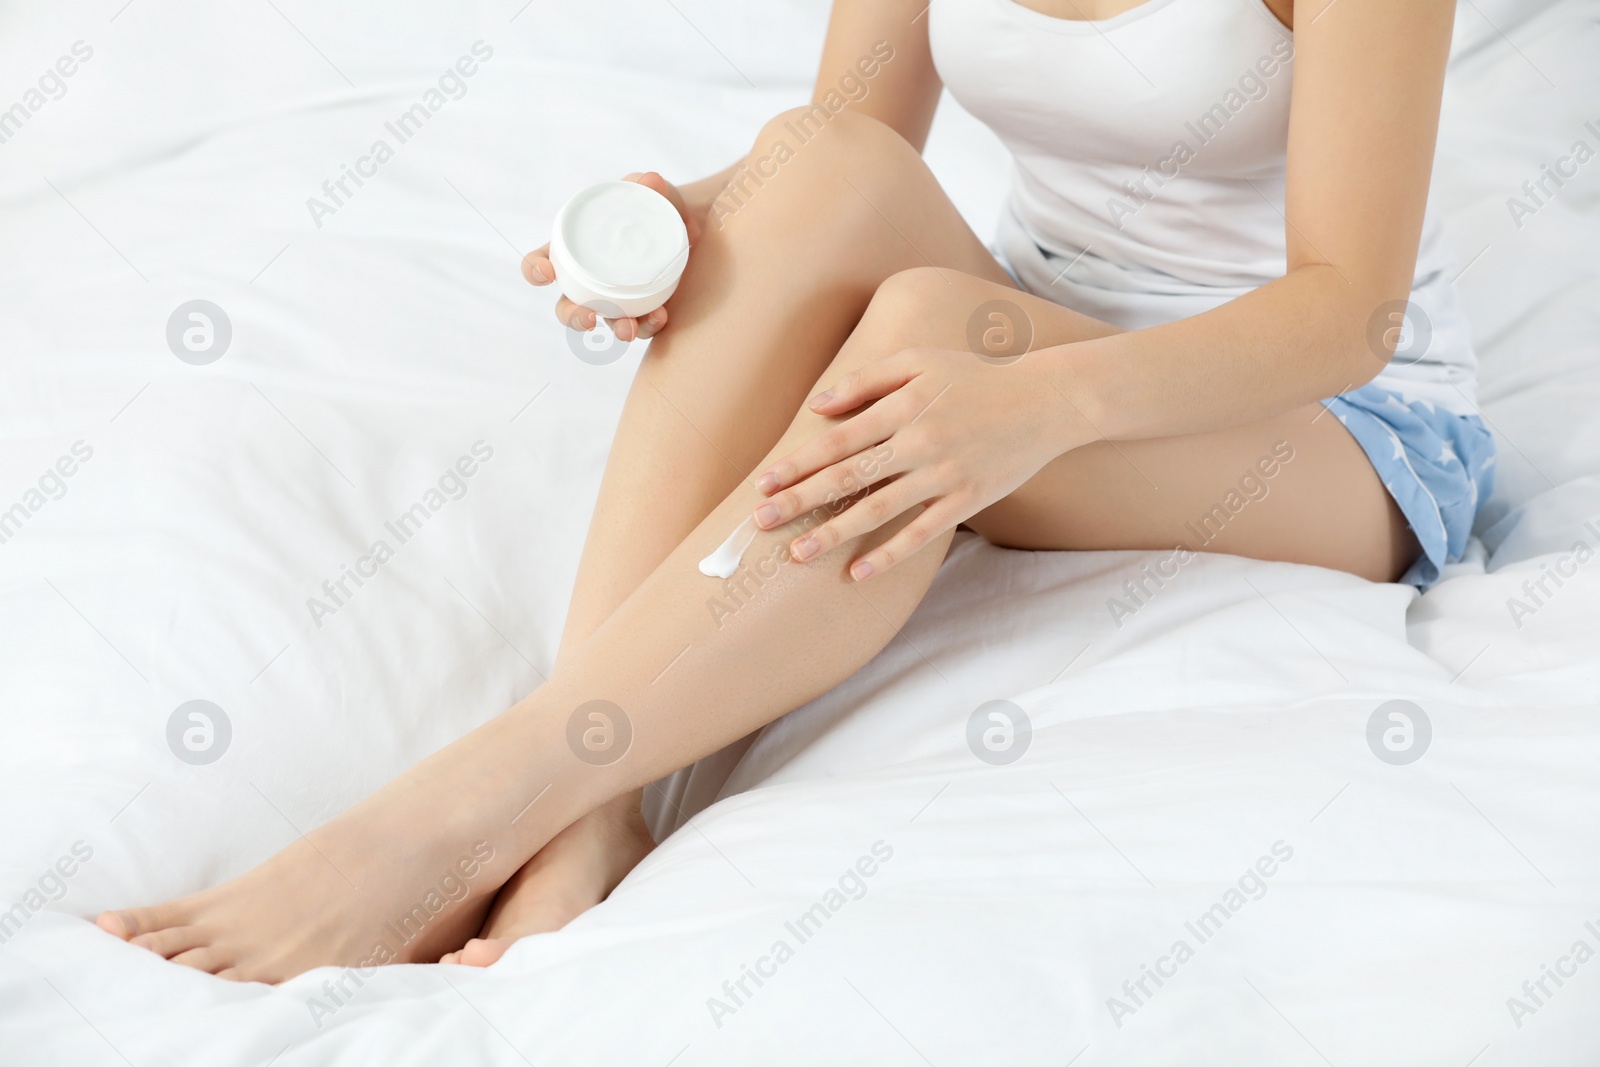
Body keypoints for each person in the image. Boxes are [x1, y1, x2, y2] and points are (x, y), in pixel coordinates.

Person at [97, 0, 1493, 980]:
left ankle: (459, 810)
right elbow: (844, 150)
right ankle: (588, 813)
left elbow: (1343, 312)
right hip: (1032, 315)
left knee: (927, 336)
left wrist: (1034, 408)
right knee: (807, 169)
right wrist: (699, 224)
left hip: (1319, 418)